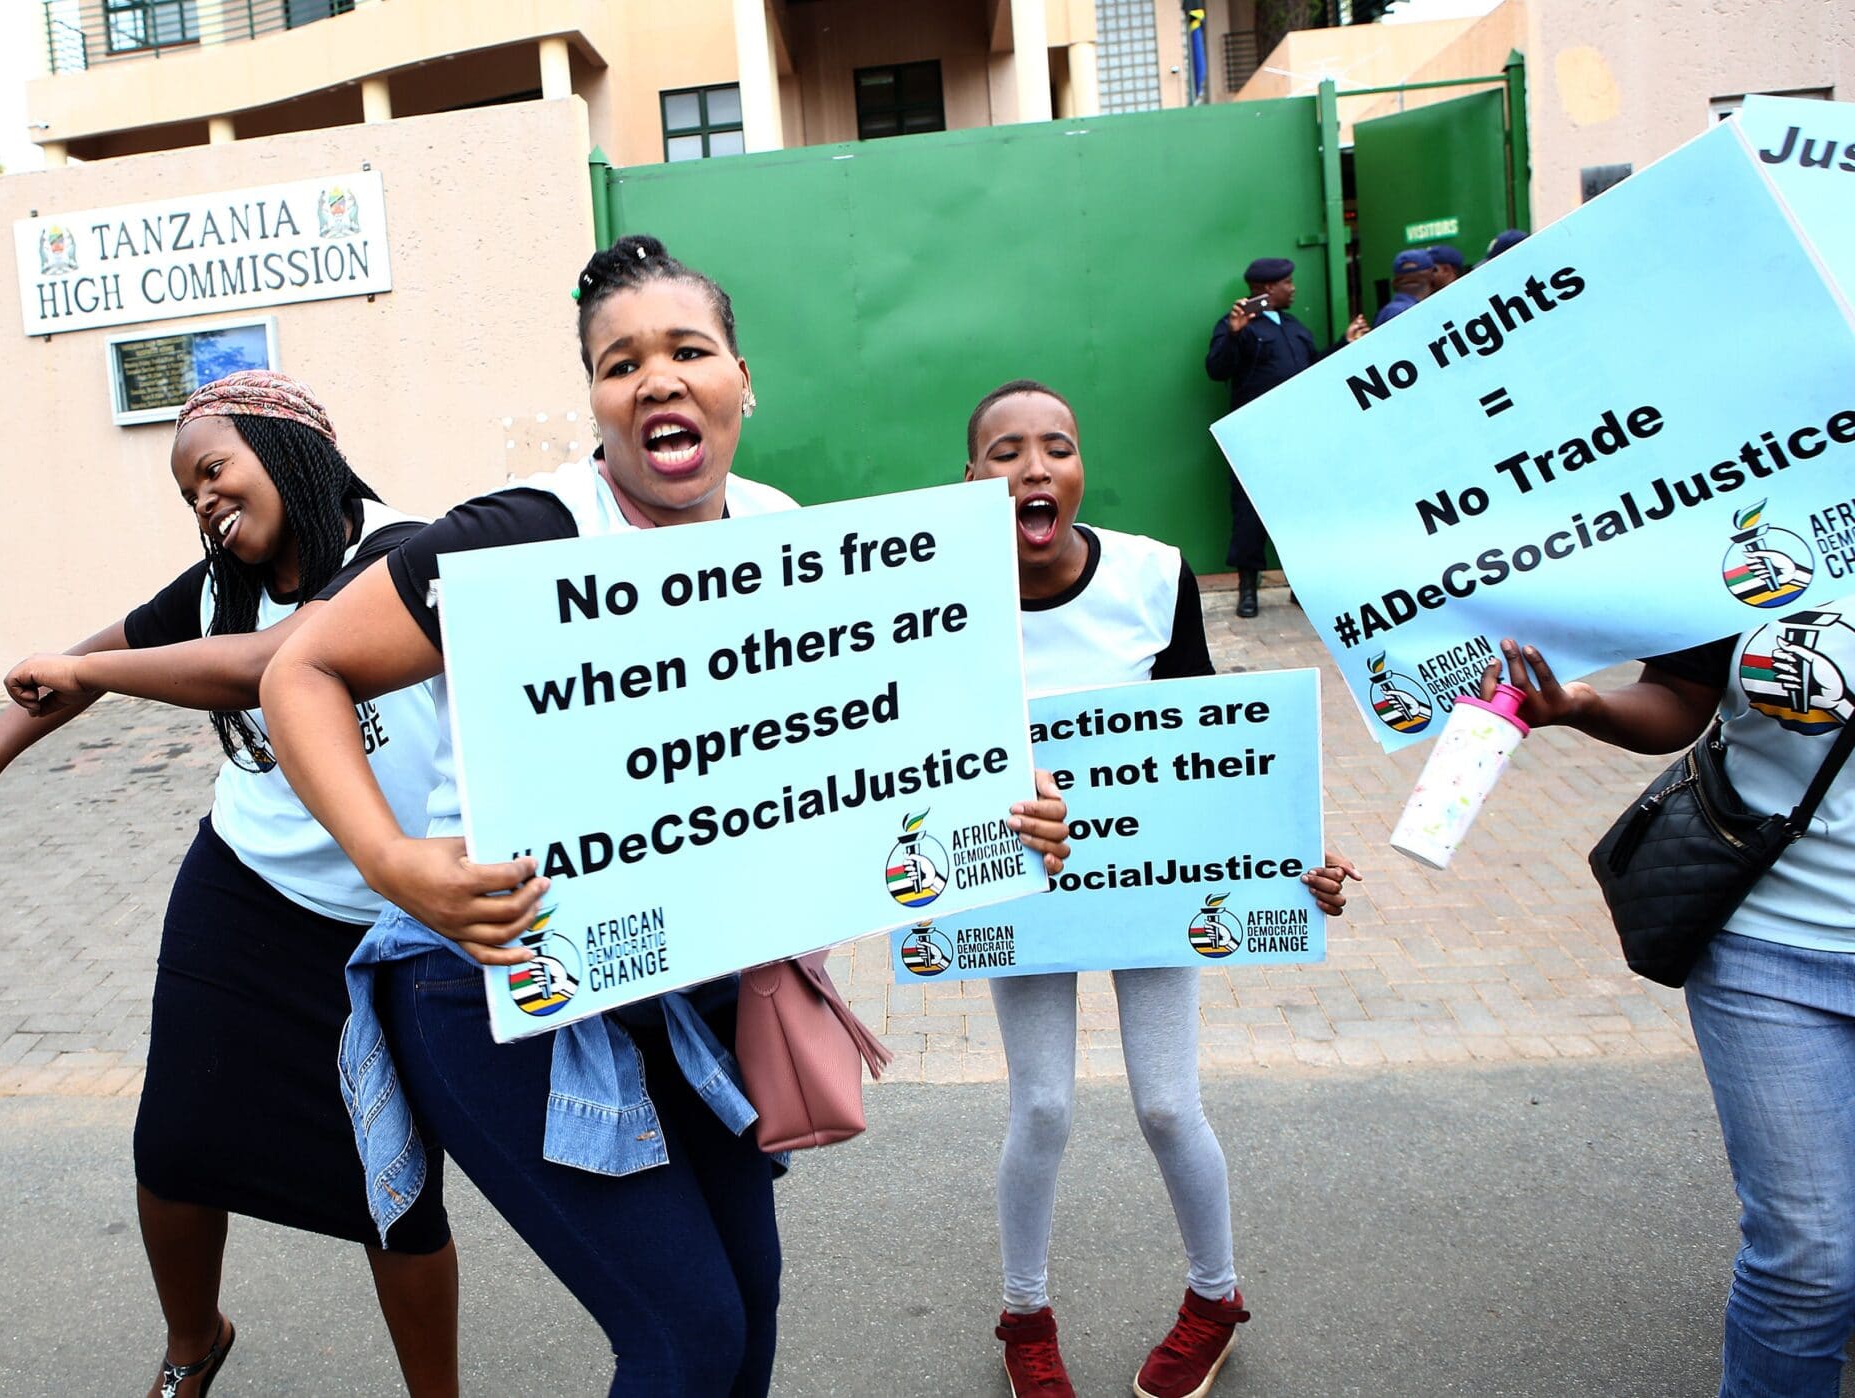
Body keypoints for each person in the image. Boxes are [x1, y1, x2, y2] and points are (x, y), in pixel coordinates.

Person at [258, 235, 1078, 1397]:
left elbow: (859, 742)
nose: (656, 380)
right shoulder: (525, 534)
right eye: (620, 363)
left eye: (687, 351)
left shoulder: (780, 526)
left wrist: (1000, 812)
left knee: (745, 1312)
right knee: (685, 1339)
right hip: (496, 983)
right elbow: (300, 670)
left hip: (689, 986)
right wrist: (389, 861)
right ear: (594, 400)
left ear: (742, 379)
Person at [0, 371, 461, 1398]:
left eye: (213, 470)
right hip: (244, 888)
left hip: (388, 916)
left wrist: (93, 675)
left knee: (393, 1189)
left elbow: (268, 664)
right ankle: (192, 1343)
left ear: (289, 449)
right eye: (187, 493)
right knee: (173, 1144)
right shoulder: (216, 589)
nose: (204, 500)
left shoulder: (401, 555)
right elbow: (79, 662)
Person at [963, 378, 1362, 1398]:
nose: (1034, 466)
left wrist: (1291, 855)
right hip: (1021, 885)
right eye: (1006, 451)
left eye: (1057, 445)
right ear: (970, 479)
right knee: (1041, 1107)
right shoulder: (941, 603)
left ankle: (1214, 1298)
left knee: (1169, 1105)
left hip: (1146, 883)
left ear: (1079, 466)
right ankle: (1022, 1316)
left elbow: (1208, 741)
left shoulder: (1152, 573)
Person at [1483, 634, 1854, 1398]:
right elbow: (1679, 698)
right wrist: (1580, 705)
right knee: (1810, 1261)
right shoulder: (1749, 555)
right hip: (1771, 942)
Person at [1204, 258, 1365, 618]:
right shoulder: (1238, 324)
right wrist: (1233, 334)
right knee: (1249, 511)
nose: (1292, 289)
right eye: (1287, 283)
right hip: (1255, 437)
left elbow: (1313, 369)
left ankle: (1301, 588)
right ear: (1267, 288)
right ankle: (1248, 589)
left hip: (1297, 432)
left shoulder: (1294, 326)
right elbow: (1216, 368)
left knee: (1301, 508)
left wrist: (1344, 343)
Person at [1372, 248, 1436, 328]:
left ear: (1396, 280)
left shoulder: (1393, 310)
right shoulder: (1399, 312)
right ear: (1430, 274)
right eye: (1435, 271)